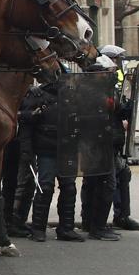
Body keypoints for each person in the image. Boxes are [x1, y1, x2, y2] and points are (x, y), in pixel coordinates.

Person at [17, 74, 81, 241]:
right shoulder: (38, 96)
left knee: (69, 187)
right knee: (45, 187)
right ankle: (38, 228)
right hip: (46, 149)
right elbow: (26, 124)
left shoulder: (72, 96)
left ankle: (66, 228)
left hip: (66, 148)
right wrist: (26, 150)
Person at [79, 54, 122, 241]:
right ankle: (98, 227)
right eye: (104, 73)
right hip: (98, 143)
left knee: (93, 183)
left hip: (96, 143)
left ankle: (90, 222)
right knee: (106, 184)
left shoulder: (86, 91)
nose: (108, 76)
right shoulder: (94, 93)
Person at [101, 45, 139, 231]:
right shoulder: (101, 86)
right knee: (108, 180)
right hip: (105, 139)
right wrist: (124, 107)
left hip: (114, 137)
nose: (117, 65)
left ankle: (120, 215)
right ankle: (101, 221)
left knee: (121, 175)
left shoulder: (113, 84)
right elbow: (113, 109)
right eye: (115, 61)